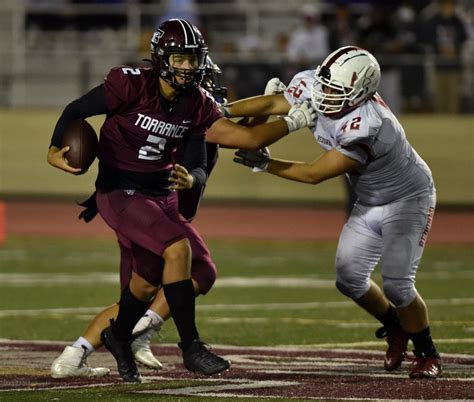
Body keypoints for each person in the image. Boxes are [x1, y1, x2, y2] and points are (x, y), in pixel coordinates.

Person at [47, 18, 315, 382]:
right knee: (179, 250)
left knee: (147, 284)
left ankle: (120, 336)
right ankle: (190, 347)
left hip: (162, 199)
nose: (189, 69)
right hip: (121, 191)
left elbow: (237, 142)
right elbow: (76, 109)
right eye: (181, 60)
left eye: (193, 60)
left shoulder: (197, 106)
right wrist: (54, 148)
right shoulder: (131, 85)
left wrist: (193, 177)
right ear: (161, 59)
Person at [228, 46, 442, 379]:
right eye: (325, 85)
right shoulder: (315, 82)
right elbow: (272, 103)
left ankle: (428, 353)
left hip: (408, 198)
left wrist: (268, 164)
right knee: (349, 278)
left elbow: (314, 174)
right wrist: (222, 110)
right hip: (370, 199)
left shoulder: (369, 125)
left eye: (336, 91)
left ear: (361, 93)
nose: (325, 95)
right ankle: (396, 327)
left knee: (399, 285)